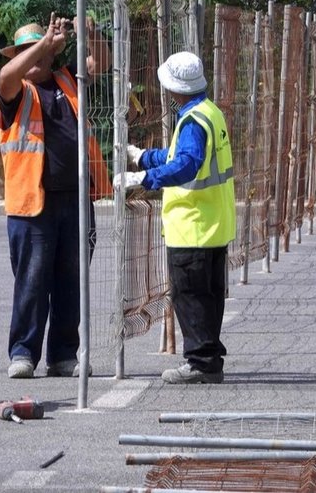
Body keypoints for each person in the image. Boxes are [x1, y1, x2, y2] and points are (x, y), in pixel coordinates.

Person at [0, 13, 111, 378]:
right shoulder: (15, 92)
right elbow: (5, 76)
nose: (33, 56)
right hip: (32, 204)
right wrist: (45, 43)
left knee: (71, 282)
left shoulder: (67, 80)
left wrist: (88, 32)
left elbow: (103, 62)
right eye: (26, 51)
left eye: (38, 49)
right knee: (31, 282)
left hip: (76, 200)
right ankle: (22, 353)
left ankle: (63, 355)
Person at [115, 51, 236, 384]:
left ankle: (201, 362)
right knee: (208, 297)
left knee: (191, 296)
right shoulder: (208, 113)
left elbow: (186, 164)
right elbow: (176, 155)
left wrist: (143, 179)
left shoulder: (193, 120)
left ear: (175, 88)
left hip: (192, 225)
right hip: (213, 224)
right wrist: (143, 158)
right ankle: (209, 360)